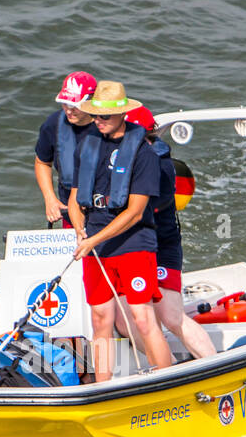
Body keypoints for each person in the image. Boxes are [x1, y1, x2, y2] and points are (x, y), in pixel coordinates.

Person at [66, 81, 175, 383]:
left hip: (133, 243)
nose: (99, 122)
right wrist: (79, 230)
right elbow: (75, 198)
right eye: (96, 116)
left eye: (105, 117)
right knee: (101, 318)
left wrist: (93, 240)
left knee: (141, 317)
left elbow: (135, 212)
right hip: (95, 244)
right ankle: (102, 387)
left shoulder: (144, 155)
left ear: (122, 115)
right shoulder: (86, 146)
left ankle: (166, 380)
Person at [125, 105, 217, 360]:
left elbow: (142, 208)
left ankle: (213, 366)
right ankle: (172, 367)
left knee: (171, 316)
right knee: (125, 323)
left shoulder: (160, 166)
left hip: (161, 247)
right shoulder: (126, 159)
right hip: (133, 248)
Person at [34, 72, 97, 228]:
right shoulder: (53, 124)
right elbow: (42, 162)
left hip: (104, 208)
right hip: (69, 207)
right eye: (64, 103)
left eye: (74, 105)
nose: (69, 110)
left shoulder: (108, 125)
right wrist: (50, 199)